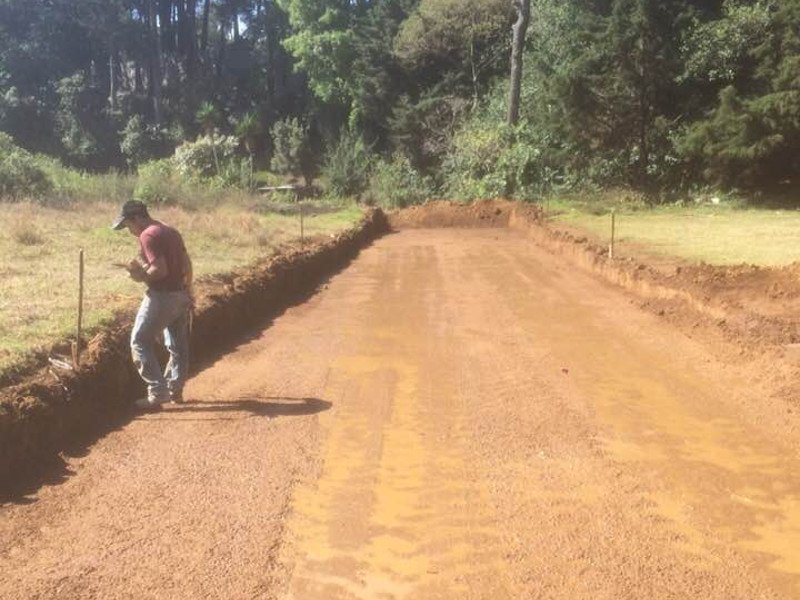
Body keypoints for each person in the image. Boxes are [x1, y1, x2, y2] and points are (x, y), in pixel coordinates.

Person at [112, 200, 193, 411]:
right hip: (180, 294)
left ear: (137, 218)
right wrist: (189, 291)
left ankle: (157, 392)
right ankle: (175, 389)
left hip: (162, 297)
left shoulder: (148, 235)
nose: (129, 231)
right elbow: (186, 263)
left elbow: (160, 270)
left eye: (128, 225)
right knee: (177, 346)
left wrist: (141, 275)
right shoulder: (170, 231)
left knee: (139, 341)